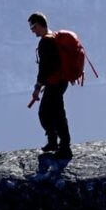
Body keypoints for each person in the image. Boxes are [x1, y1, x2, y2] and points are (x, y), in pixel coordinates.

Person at [28, 12, 71, 159]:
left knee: (53, 114)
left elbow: (44, 68)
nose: (32, 30)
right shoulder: (54, 38)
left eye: (33, 27)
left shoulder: (45, 42)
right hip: (60, 82)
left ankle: (64, 148)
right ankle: (54, 142)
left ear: (40, 24)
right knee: (52, 113)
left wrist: (37, 88)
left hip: (55, 83)